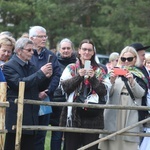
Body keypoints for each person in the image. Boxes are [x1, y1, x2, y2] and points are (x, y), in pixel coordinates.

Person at [3, 37, 52, 150]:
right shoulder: (9, 66)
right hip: (16, 115)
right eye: (29, 50)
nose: (32, 53)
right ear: (19, 51)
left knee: (29, 146)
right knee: (12, 145)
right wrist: (40, 73)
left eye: (33, 50)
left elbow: (39, 87)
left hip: (31, 115)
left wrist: (47, 77)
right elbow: (19, 84)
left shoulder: (31, 65)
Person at [59, 39, 108, 150]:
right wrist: (79, 77)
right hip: (74, 114)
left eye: (89, 50)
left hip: (93, 115)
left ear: (93, 52)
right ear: (79, 51)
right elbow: (65, 88)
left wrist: (93, 79)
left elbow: (103, 92)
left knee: (91, 147)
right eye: (84, 49)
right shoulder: (71, 68)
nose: (86, 52)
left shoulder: (100, 70)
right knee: (71, 146)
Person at [99, 46, 147, 150]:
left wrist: (132, 81)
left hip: (130, 111)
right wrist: (111, 81)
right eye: (123, 59)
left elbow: (141, 94)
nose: (126, 62)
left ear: (135, 59)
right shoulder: (113, 71)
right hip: (114, 109)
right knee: (112, 140)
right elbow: (106, 93)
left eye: (129, 59)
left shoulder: (139, 74)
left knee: (129, 141)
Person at [29, 26, 61, 150]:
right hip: (29, 98)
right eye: (41, 36)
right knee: (28, 132)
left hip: (45, 99)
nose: (44, 39)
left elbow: (57, 75)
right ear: (32, 38)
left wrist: (47, 91)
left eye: (45, 36)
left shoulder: (51, 55)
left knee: (41, 133)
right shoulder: (27, 53)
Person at [49, 38, 76, 150]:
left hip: (72, 102)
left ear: (72, 49)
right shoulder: (53, 62)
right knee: (57, 133)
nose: (65, 50)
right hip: (57, 101)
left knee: (70, 134)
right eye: (63, 48)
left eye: (68, 48)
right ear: (59, 50)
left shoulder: (78, 63)